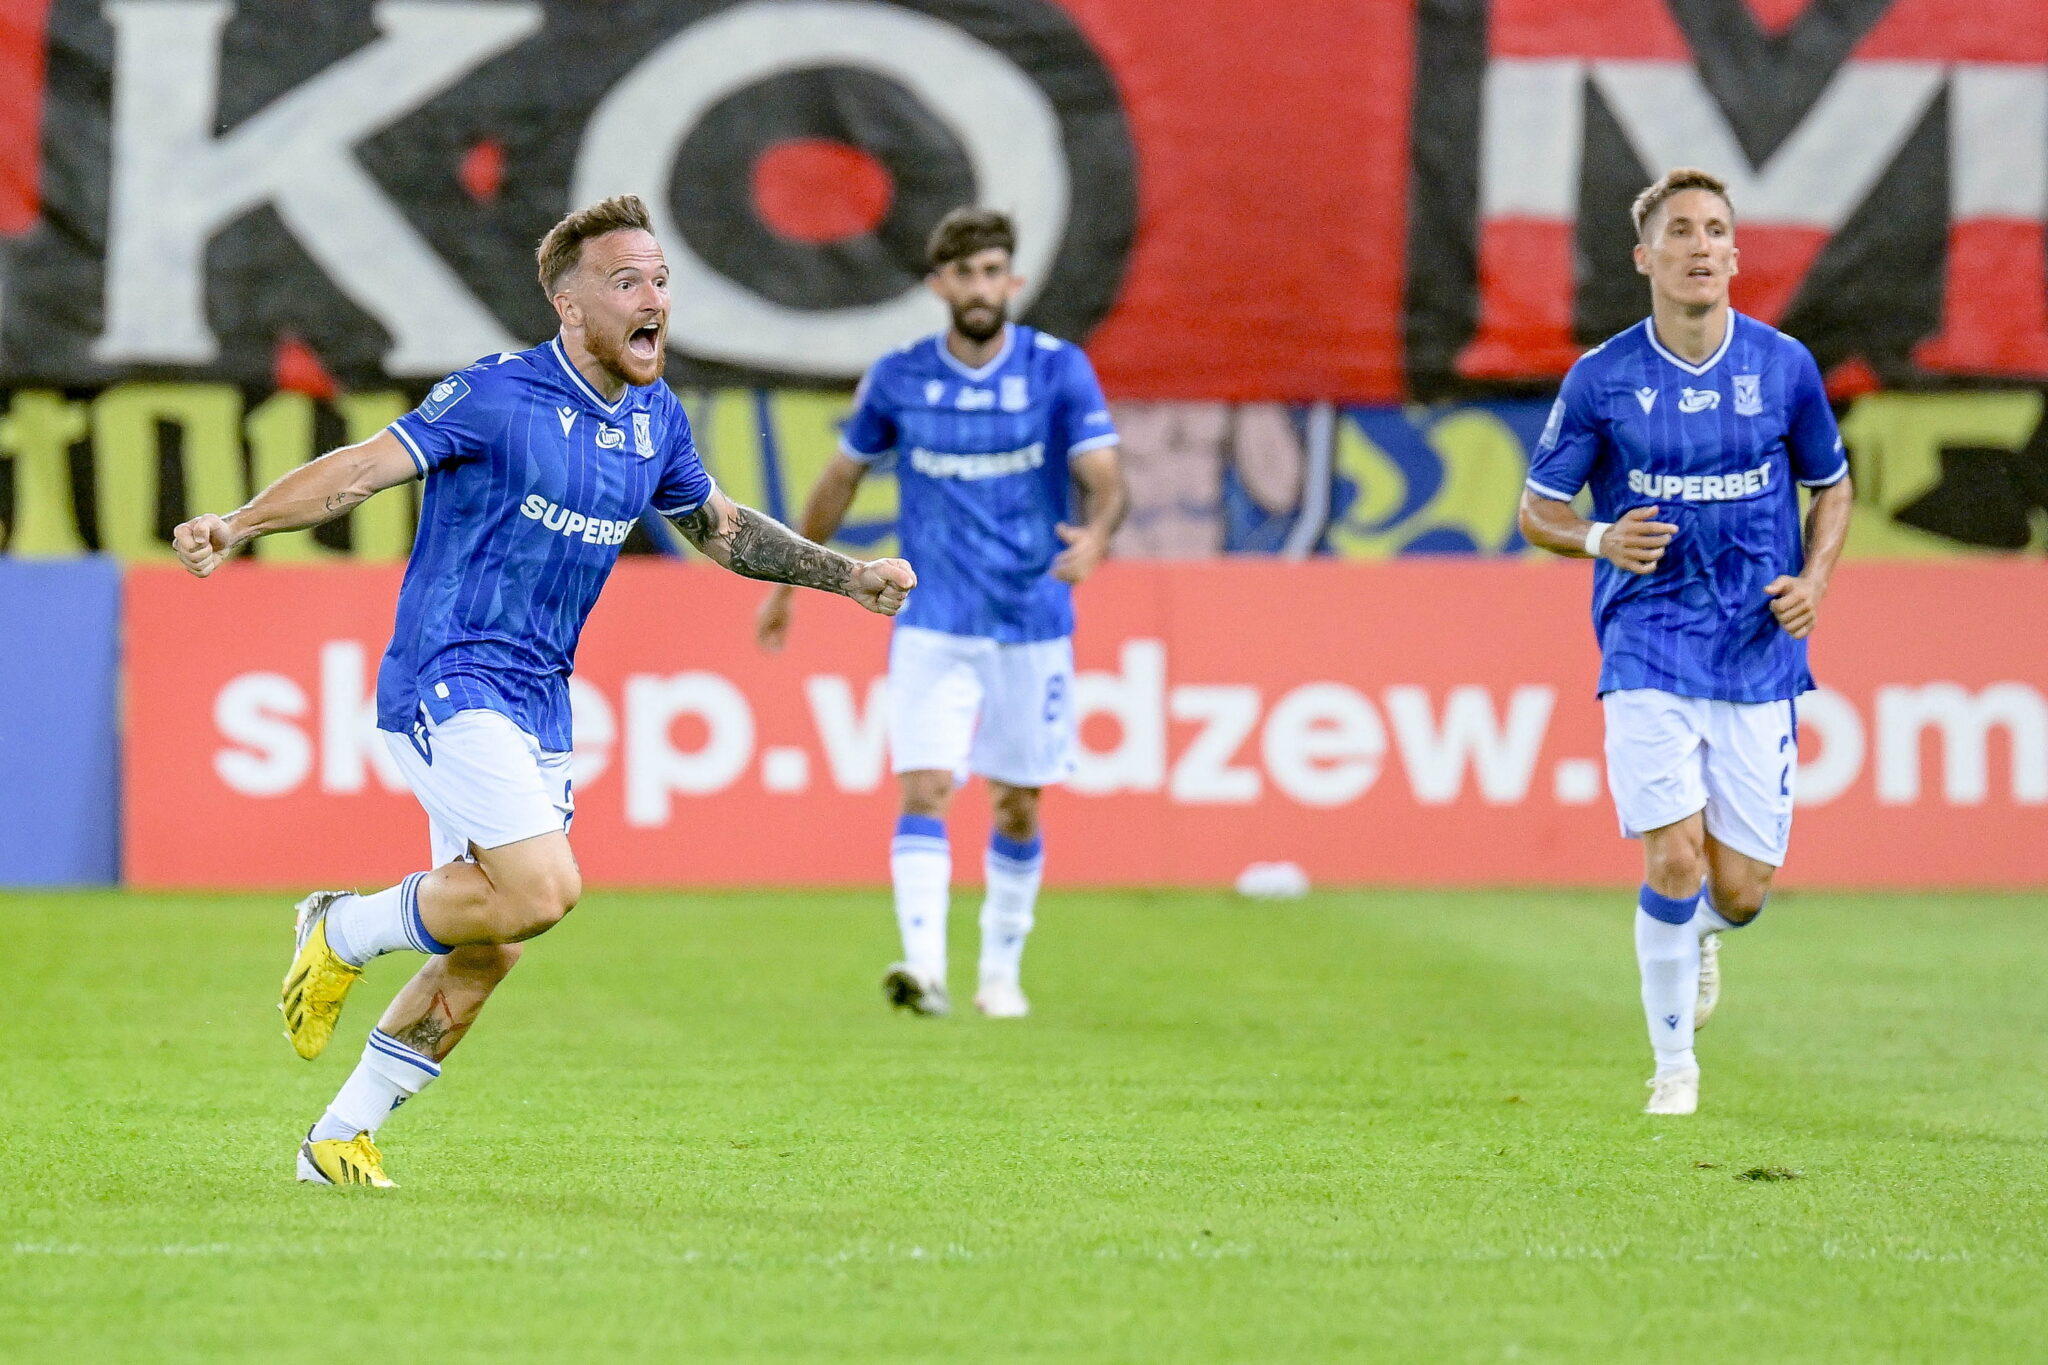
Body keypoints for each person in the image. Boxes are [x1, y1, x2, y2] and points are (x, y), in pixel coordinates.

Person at [171, 195, 915, 1186]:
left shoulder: (654, 419)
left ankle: (335, 1141)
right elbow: (359, 472)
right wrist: (240, 524)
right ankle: (340, 927)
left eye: (659, 280)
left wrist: (845, 576)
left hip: (539, 701)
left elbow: (722, 529)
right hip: (448, 676)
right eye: (626, 282)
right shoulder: (493, 396)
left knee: (491, 945)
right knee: (541, 890)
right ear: (566, 304)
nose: (653, 298)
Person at [1516, 167, 1853, 1116]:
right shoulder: (1603, 378)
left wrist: (1815, 582)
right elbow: (1538, 507)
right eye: (1682, 231)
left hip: (1755, 647)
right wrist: (1596, 536)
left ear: (1736, 254)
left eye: (1716, 230)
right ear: (1646, 257)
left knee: (1739, 891)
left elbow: (1832, 483)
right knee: (1671, 857)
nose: (1701, 245)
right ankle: (1674, 1074)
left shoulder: (1782, 366)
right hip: (1648, 642)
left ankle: (1699, 931)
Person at [755, 207, 1126, 1020]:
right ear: (939, 286)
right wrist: (790, 582)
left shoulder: (1058, 370)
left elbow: (1104, 475)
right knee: (925, 786)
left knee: (1017, 800)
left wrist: (1097, 537)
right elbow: (841, 478)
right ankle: (924, 969)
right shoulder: (898, 376)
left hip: (1031, 620)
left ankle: (1001, 972)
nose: (982, 287)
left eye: (995, 271)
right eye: (966, 273)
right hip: (932, 622)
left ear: (1014, 282)